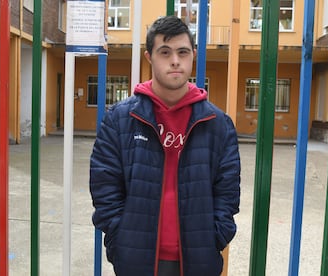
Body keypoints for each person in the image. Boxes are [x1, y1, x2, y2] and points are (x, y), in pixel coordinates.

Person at [89, 15, 241, 276]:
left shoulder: (217, 123)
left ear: (193, 55)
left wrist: (214, 237)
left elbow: (227, 192)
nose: (174, 60)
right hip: (135, 260)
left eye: (182, 52)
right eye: (165, 52)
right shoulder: (120, 119)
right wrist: (120, 238)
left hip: (198, 261)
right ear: (150, 57)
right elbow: (104, 187)